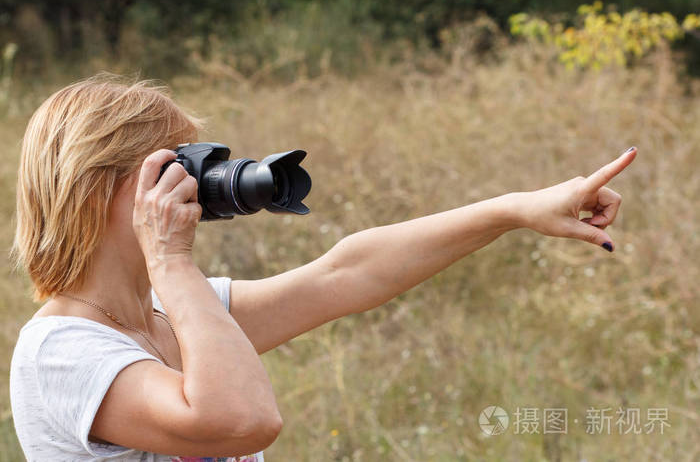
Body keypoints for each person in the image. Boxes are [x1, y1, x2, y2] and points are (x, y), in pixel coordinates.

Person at [8, 74, 636, 461]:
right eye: (167, 168)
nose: (189, 185)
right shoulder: (60, 352)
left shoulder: (172, 314)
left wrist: (515, 209)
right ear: (91, 189)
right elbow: (242, 421)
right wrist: (170, 260)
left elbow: (347, 274)